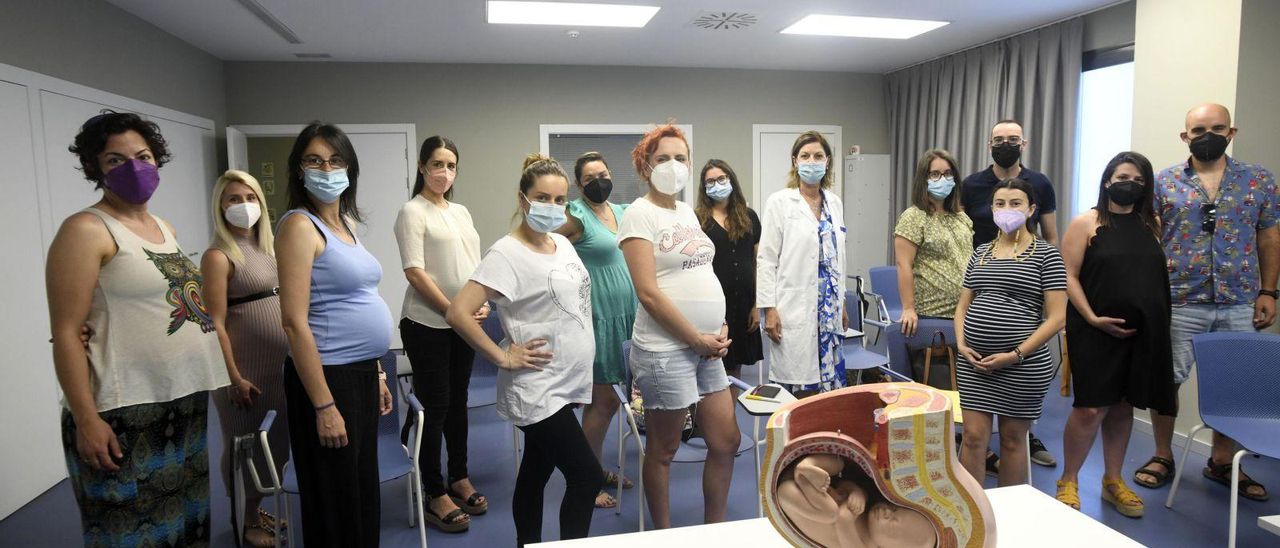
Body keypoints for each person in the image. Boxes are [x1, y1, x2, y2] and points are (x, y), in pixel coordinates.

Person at [47, 111, 228, 545]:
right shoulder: (86, 230)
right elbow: (68, 332)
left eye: (143, 156)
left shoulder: (163, 228)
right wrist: (88, 419)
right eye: (115, 160)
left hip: (181, 399)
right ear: (95, 168)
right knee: (130, 531)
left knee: (186, 523)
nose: (133, 168)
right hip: (122, 409)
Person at [447, 154, 604, 547]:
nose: (552, 207)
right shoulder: (506, 253)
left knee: (535, 470)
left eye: (559, 200)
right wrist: (502, 356)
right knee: (586, 476)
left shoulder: (562, 245)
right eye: (542, 198)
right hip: (537, 386)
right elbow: (458, 312)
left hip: (566, 380)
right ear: (523, 199)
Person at [1133, 103, 1277, 502]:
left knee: (1236, 385)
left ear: (1231, 131)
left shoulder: (1258, 180)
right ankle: (1162, 455)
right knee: (1168, 380)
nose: (1207, 135)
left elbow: (1269, 237)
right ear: (1185, 137)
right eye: (1198, 129)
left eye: (1216, 128)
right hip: (1179, 298)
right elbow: (1150, 239)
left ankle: (1222, 461)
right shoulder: (1162, 182)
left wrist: (1269, 291)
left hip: (1240, 299)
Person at [276, 122, 395, 547]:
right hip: (326, 377)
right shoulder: (298, 227)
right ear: (299, 170)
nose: (326, 169)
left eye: (335, 160)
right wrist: (323, 404)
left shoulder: (345, 225)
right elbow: (294, 321)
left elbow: (357, 300)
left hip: (360, 374)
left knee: (362, 490)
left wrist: (378, 374)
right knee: (335, 500)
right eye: (314, 160)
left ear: (349, 168)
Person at [618, 123, 741, 528]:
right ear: (645, 166)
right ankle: (665, 536)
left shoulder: (687, 211)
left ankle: (714, 531)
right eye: (663, 158)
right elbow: (648, 293)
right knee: (664, 449)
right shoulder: (639, 213)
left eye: (680, 157)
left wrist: (718, 325)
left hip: (706, 345)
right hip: (665, 349)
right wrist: (696, 338)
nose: (673, 165)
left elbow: (700, 270)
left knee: (726, 441)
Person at [1055, 152, 1177, 518]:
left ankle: (1113, 480)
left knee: (1124, 406)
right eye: (1124, 177)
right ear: (1108, 180)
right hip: (1094, 329)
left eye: (1139, 181)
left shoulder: (1152, 224)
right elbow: (1069, 275)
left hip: (1142, 333)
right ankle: (1069, 479)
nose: (1131, 185)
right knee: (1091, 407)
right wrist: (1092, 317)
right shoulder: (1085, 223)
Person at [393, 135, 488, 530]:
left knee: (458, 401)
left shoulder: (461, 211)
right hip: (426, 324)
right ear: (421, 167)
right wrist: (453, 311)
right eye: (436, 164)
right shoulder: (412, 212)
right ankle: (433, 491)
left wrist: (479, 302)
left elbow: (474, 266)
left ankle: (459, 475)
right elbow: (415, 272)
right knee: (436, 406)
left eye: (450, 165)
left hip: (461, 323)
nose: (444, 172)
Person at [954, 178, 1067, 487]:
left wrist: (1014, 354)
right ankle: (972, 517)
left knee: (1013, 441)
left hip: (1022, 366)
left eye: (1015, 203)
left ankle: (1010, 517)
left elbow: (1057, 318)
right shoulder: (981, 252)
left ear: (1031, 209)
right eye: (1000, 204)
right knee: (974, 438)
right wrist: (962, 344)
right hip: (973, 364)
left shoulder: (1047, 255)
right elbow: (963, 306)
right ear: (991, 209)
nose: (1007, 210)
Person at [202, 170, 290, 546]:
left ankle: (256, 506)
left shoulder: (272, 249)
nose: (243, 206)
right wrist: (231, 376)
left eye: (250, 198)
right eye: (233, 199)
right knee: (244, 445)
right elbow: (214, 324)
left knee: (275, 443)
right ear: (220, 207)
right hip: (243, 371)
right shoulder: (218, 256)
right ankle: (245, 516)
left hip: (278, 368)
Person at [555, 151, 637, 508]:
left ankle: (595, 468)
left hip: (629, 317)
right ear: (579, 184)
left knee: (614, 401)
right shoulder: (575, 215)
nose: (598, 181)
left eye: (602, 174)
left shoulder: (621, 212)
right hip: (599, 318)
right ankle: (585, 481)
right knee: (602, 403)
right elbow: (546, 249)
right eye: (589, 178)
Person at [757, 130, 849, 396]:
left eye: (818, 155)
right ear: (795, 161)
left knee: (829, 392)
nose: (812, 161)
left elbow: (838, 260)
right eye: (805, 156)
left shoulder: (835, 203)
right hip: (793, 308)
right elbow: (766, 259)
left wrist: (841, 302)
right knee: (796, 393)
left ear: (828, 161)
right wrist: (769, 309)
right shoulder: (780, 202)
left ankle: (823, 437)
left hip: (829, 310)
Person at [696, 159, 763, 390]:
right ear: (704, 188)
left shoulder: (749, 216)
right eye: (710, 181)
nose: (717, 184)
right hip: (712, 303)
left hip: (744, 303)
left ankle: (728, 422)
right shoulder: (698, 221)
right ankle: (703, 424)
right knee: (710, 363)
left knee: (735, 368)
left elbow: (758, 263)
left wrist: (757, 305)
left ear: (731, 180)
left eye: (721, 179)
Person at [892, 149, 973, 338]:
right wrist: (908, 308)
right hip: (932, 313)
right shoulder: (914, 217)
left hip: (966, 311)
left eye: (947, 174)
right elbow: (904, 264)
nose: (942, 179)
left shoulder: (961, 217)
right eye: (935, 174)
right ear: (924, 179)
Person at [776, 454, 938, 548]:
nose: (886, 511)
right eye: (894, 509)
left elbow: (843, 518)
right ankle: (807, 465)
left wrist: (848, 503)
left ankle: (802, 474)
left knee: (831, 513)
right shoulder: (868, 515)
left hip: (789, 494)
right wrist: (856, 491)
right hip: (813, 487)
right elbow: (843, 486)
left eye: (892, 522)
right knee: (839, 464)